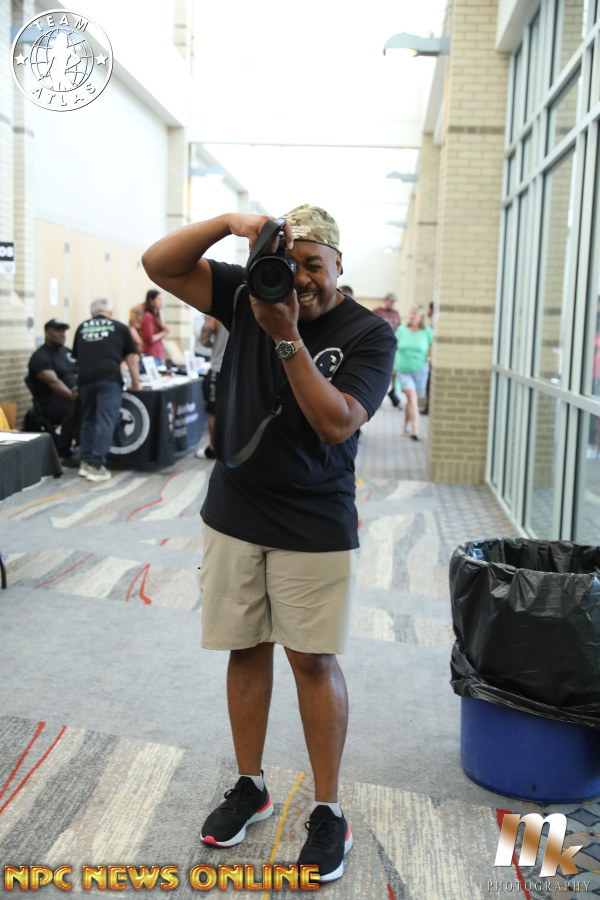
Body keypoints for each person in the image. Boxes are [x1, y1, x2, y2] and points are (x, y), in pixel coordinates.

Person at [142, 204, 395, 883]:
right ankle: (250, 785)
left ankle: (328, 810)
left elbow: (337, 423)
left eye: (314, 264)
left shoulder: (369, 333)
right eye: (291, 262)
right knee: (245, 646)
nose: (300, 278)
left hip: (314, 520)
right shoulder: (251, 288)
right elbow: (159, 264)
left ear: (339, 264)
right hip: (235, 511)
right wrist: (229, 223)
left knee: (311, 660)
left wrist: (285, 336)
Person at [72, 298, 140, 482]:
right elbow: (131, 360)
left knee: (88, 420)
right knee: (106, 420)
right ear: (110, 312)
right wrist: (136, 384)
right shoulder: (120, 327)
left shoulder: (82, 327)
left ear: (91, 313)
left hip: (85, 379)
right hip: (109, 379)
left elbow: (77, 359)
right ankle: (97, 466)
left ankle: (86, 462)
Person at [26, 318, 80, 466]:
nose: (62, 334)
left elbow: (81, 369)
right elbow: (54, 383)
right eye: (57, 330)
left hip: (73, 395)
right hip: (51, 401)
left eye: (63, 330)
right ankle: (64, 452)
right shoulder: (40, 356)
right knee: (75, 409)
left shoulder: (66, 352)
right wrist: (74, 397)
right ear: (47, 332)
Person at [393, 305, 433, 441]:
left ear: (421, 317)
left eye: (414, 314)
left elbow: (433, 345)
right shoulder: (401, 330)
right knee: (412, 396)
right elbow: (393, 346)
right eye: (410, 313)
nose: (411, 316)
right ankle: (416, 430)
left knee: (411, 399)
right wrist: (392, 365)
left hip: (421, 370)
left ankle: (406, 426)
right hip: (403, 369)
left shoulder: (427, 331)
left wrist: (429, 358)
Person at [195, 315, 228, 459]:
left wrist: (208, 319)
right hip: (242, 370)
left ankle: (213, 448)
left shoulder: (219, 312)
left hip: (220, 368)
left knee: (214, 411)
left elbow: (204, 340)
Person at [372, 293, 401, 407]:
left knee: (392, 373)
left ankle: (393, 394)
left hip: (392, 346)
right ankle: (376, 396)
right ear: (385, 300)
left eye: (393, 301)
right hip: (379, 346)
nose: (391, 303)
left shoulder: (396, 314)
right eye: (390, 301)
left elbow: (399, 329)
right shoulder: (377, 311)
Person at [140, 289, 169, 362]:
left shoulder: (156, 316)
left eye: (161, 300)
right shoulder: (148, 316)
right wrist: (164, 332)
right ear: (151, 301)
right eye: (159, 299)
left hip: (157, 354)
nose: (161, 302)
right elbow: (150, 338)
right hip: (151, 354)